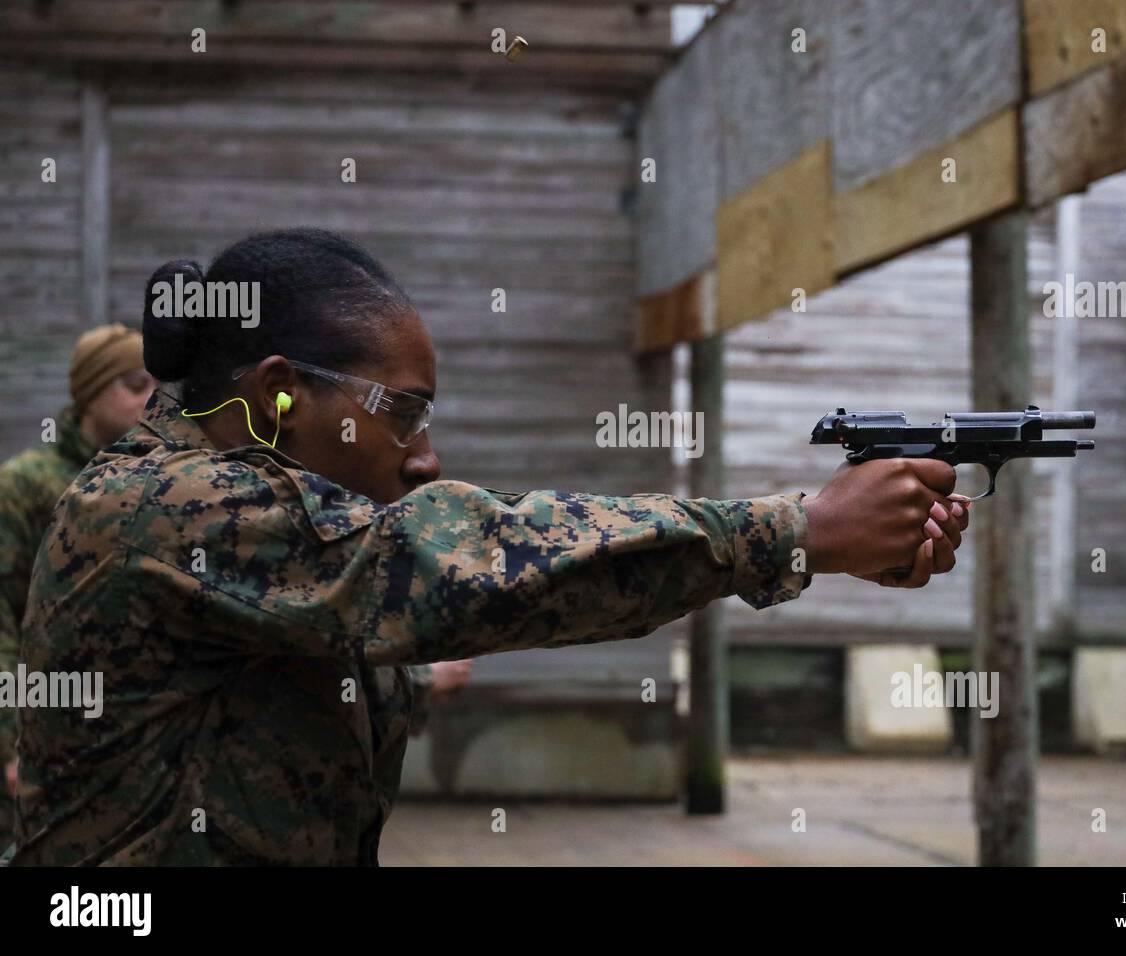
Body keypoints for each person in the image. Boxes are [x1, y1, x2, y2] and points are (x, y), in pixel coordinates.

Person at [10, 228, 968, 866]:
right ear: (277, 395)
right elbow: (477, 565)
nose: (424, 458)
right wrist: (797, 530)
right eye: (405, 414)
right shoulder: (170, 504)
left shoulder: (249, 518)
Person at [0, 324, 155, 854]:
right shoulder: (27, 485)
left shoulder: (159, 484)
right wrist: (13, 740)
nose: (150, 400)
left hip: (136, 738)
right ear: (90, 392)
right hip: (47, 730)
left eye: (156, 386)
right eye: (133, 385)